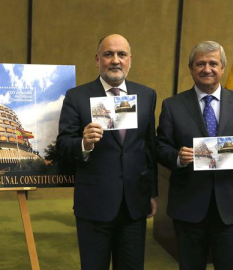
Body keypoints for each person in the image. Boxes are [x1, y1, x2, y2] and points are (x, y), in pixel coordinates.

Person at [156, 41, 233, 270]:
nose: (207, 69)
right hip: (188, 206)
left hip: (230, 208)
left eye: (213, 63)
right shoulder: (172, 106)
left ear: (223, 68)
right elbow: (160, 147)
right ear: (191, 68)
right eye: (200, 64)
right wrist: (177, 157)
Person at [57, 34, 158, 270]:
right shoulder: (77, 97)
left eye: (121, 54)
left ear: (130, 60)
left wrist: (151, 192)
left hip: (134, 204)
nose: (115, 60)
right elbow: (63, 144)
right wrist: (84, 143)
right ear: (97, 59)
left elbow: (148, 148)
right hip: (94, 204)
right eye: (108, 54)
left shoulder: (146, 95)